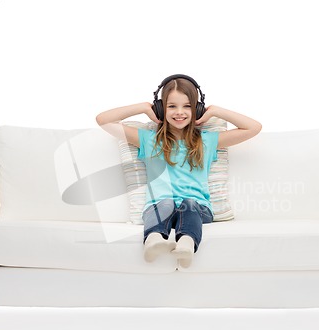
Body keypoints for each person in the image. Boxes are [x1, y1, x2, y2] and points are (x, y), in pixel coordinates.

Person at [96, 75, 262, 268]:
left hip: (197, 208)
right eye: (171, 106)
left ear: (197, 109)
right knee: (165, 203)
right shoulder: (148, 139)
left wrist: (215, 111)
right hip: (159, 205)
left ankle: (187, 243)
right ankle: (154, 239)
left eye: (188, 106)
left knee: (189, 204)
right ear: (160, 108)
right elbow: (103, 120)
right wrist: (143, 107)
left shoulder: (206, 141)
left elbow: (253, 128)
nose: (179, 112)